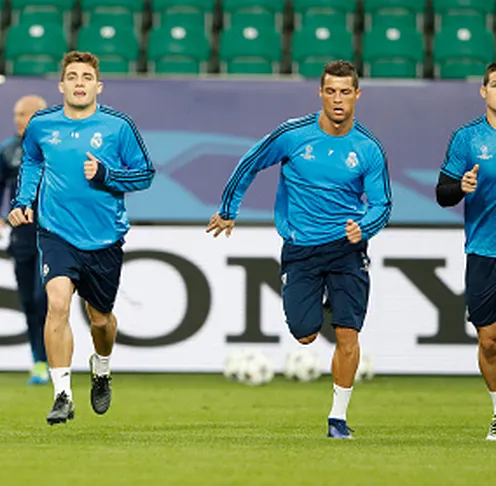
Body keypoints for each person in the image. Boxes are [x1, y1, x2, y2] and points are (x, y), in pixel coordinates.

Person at [206, 60, 392, 439]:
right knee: (305, 334)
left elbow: (382, 204)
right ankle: (323, 303)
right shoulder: (294, 134)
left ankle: (338, 419)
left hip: (347, 249)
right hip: (301, 248)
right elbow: (249, 163)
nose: (338, 99)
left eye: (345, 92)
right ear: (320, 93)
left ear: (358, 95)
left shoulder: (368, 148)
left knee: (347, 335)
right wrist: (228, 209)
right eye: (331, 91)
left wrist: (366, 227)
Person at [8, 51, 155, 425]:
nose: (78, 82)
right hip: (56, 231)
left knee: (101, 320)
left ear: (98, 86)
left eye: (86, 77)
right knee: (56, 304)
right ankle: (62, 394)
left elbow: (145, 175)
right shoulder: (41, 125)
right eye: (71, 76)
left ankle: (101, 369)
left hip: (104, 235)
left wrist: (106, 173)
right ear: (61, 85)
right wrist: (24, 200)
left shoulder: (118, 126)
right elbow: (32, 161)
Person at [436, 62, 496, 441]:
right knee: (489, 341)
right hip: (484, 251)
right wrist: (462, 186)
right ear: (484, 91)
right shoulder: (467, 139)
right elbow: (443, 194)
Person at [0, 95, 50, 385]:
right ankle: (39, 361)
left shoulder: (56, 146)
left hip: (53, 235)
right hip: (22, 235)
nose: (17, 119)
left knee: (44, 297)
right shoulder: (9, 149)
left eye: (23, 114)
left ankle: (53, 358)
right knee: (28, 301)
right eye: (16, 113)